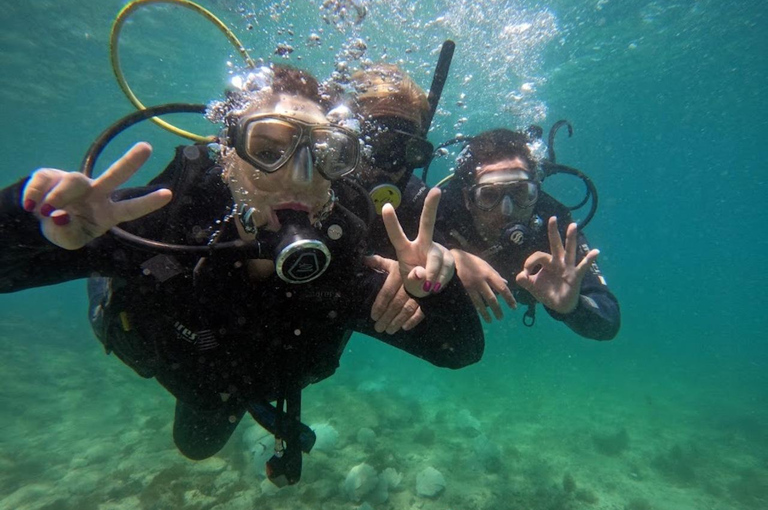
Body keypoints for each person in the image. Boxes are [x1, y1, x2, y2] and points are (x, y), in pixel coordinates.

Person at [0, 65, 483, 485]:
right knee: (195, 440)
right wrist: (38, 226)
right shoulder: (164, 224)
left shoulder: (341, 263)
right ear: (226, 154)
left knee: (197, 445)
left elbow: (459, 350)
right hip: (180, 367)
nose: (297, 174)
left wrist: (436, 289)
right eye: (267, 147)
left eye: (323, 152)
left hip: (238, 386)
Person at [437, 128, 620, 340]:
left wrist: (573, 307)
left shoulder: (553, 225)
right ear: (468, 200)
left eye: (520, 192)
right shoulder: (443, 213)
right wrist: (443, 253)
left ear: (536, 192)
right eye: (488, 195)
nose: (506, 210)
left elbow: (609, 321)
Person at [347, 63, 438, 334]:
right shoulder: (307, 187)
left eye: (405, 149)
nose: (389, 165)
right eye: (378, 145)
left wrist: (448, 270)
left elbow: (461, 350)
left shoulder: (416, 205)